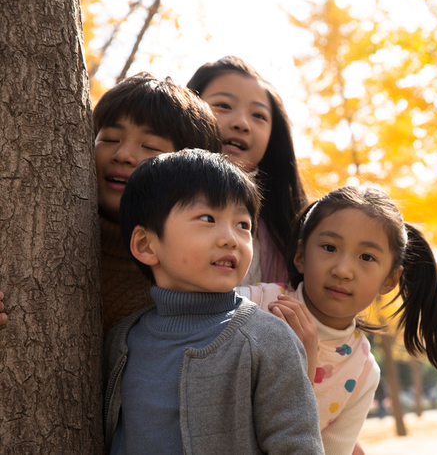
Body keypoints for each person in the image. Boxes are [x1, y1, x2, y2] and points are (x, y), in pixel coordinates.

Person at [104, 149, 323, 454]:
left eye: (243, 225)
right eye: (208, 218)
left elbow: (297, 445)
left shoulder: (268, 339)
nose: (231, 238)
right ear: (146, 244)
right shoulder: (121, 341)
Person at [236, 185, 437, 455]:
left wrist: (304, 371)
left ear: (390, 280)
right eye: (329, 247)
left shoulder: (361, 372)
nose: (343, 270)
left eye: (366, 257)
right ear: (301, 256)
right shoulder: (251, 305)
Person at [0, 73, 222, 333]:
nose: (123, 155)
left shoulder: (194, 272)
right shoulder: (27, 229)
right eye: (109, 140)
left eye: (151, 146)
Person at [187, 55, 307, 285]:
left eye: (258, 116)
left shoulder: (291, 234)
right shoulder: (150, 196)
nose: (242, 123)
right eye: (223, 105)